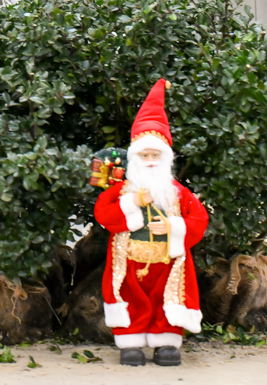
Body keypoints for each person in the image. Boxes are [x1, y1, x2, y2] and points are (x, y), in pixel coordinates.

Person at [94, 79, 209, 367]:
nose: (149, 160)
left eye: (154, 155)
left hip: (167, 261)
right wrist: (131, 203)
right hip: (129, 258)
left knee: (166, 300)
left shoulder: (177, 192)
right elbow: (103, 214)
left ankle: (165, 343)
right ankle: (130, 343)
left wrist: (172, 227)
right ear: (134, 158)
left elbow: (199, 218)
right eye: (143, 155)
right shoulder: (122, 191)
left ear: (164, 158)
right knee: (130, 298)